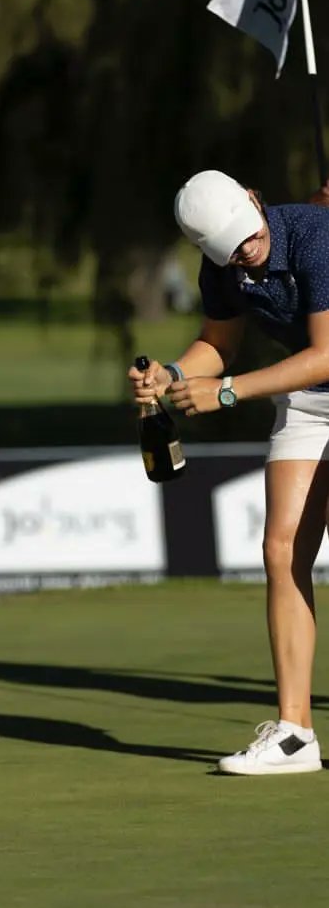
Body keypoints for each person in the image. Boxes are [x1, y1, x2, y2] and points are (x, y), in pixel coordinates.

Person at [131, 168, 329, 776]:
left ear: (254, 198)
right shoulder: (222, 267)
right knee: (282, 549)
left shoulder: (316, 236)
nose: (247, 249)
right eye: (230, 246)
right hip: (310, 399)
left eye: (248, 233)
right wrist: (171, 373)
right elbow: (218, 342)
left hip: (317, 367)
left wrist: (226, 393)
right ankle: (295, 734)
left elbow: (325, 352)